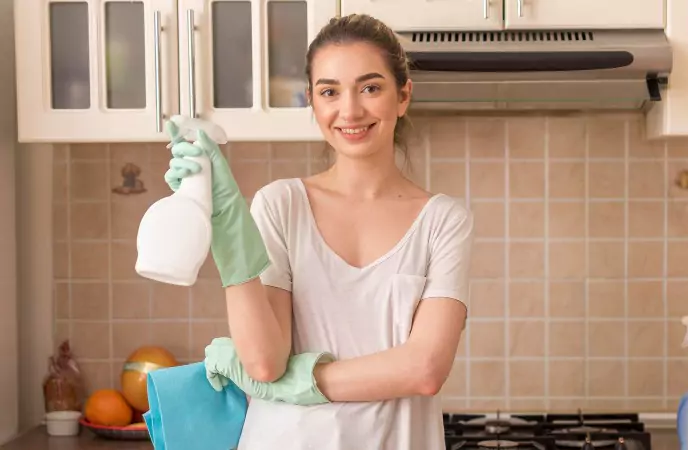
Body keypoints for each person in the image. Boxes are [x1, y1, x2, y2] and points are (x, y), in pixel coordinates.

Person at [163, 13, 473, 450]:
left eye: (370, 87)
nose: (349, 110)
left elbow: (424, 370)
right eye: (330, 91)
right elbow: (264, 363)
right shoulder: (281, 205)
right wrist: (228, 230)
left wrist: (304, 379)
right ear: (312, 102)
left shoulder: (443, 221)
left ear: (403, 96)